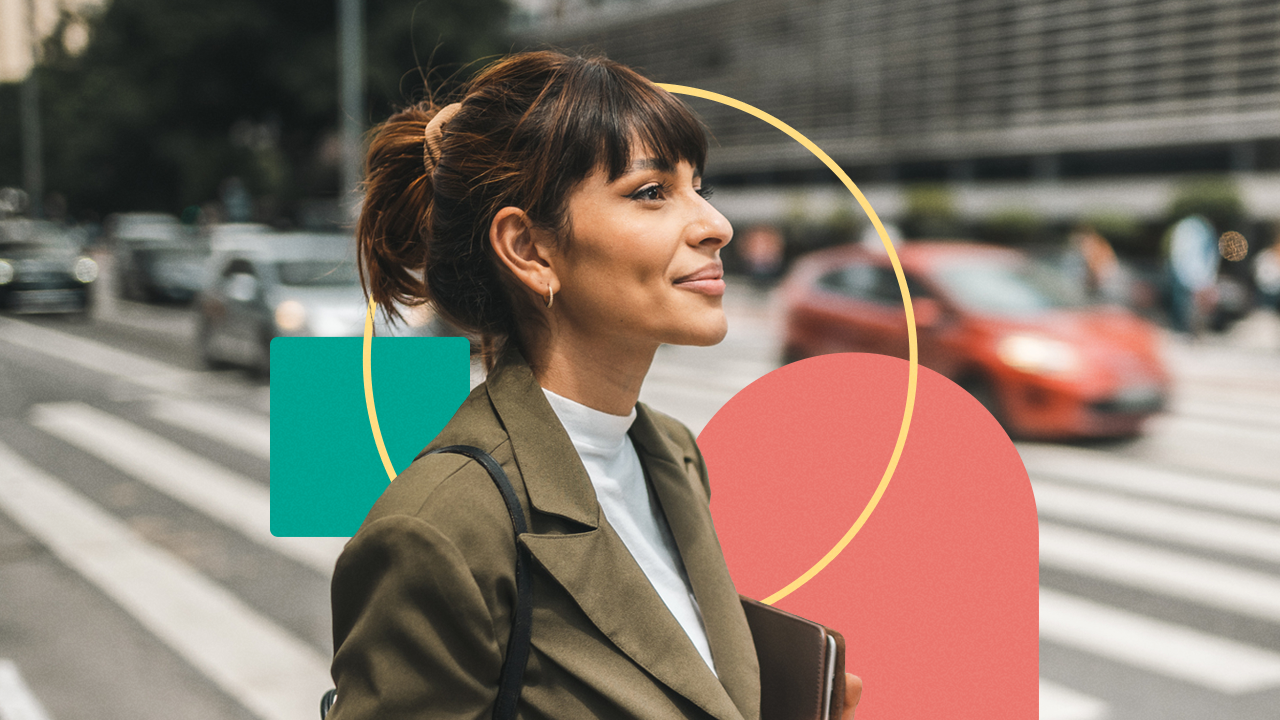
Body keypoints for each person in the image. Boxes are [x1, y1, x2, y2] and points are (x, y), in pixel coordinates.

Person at [328, 50, 862, 719]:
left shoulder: (673, 454)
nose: (716, 226)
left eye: (700, 188)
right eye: (651, 192)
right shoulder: (438, 528)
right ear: (529, 249)